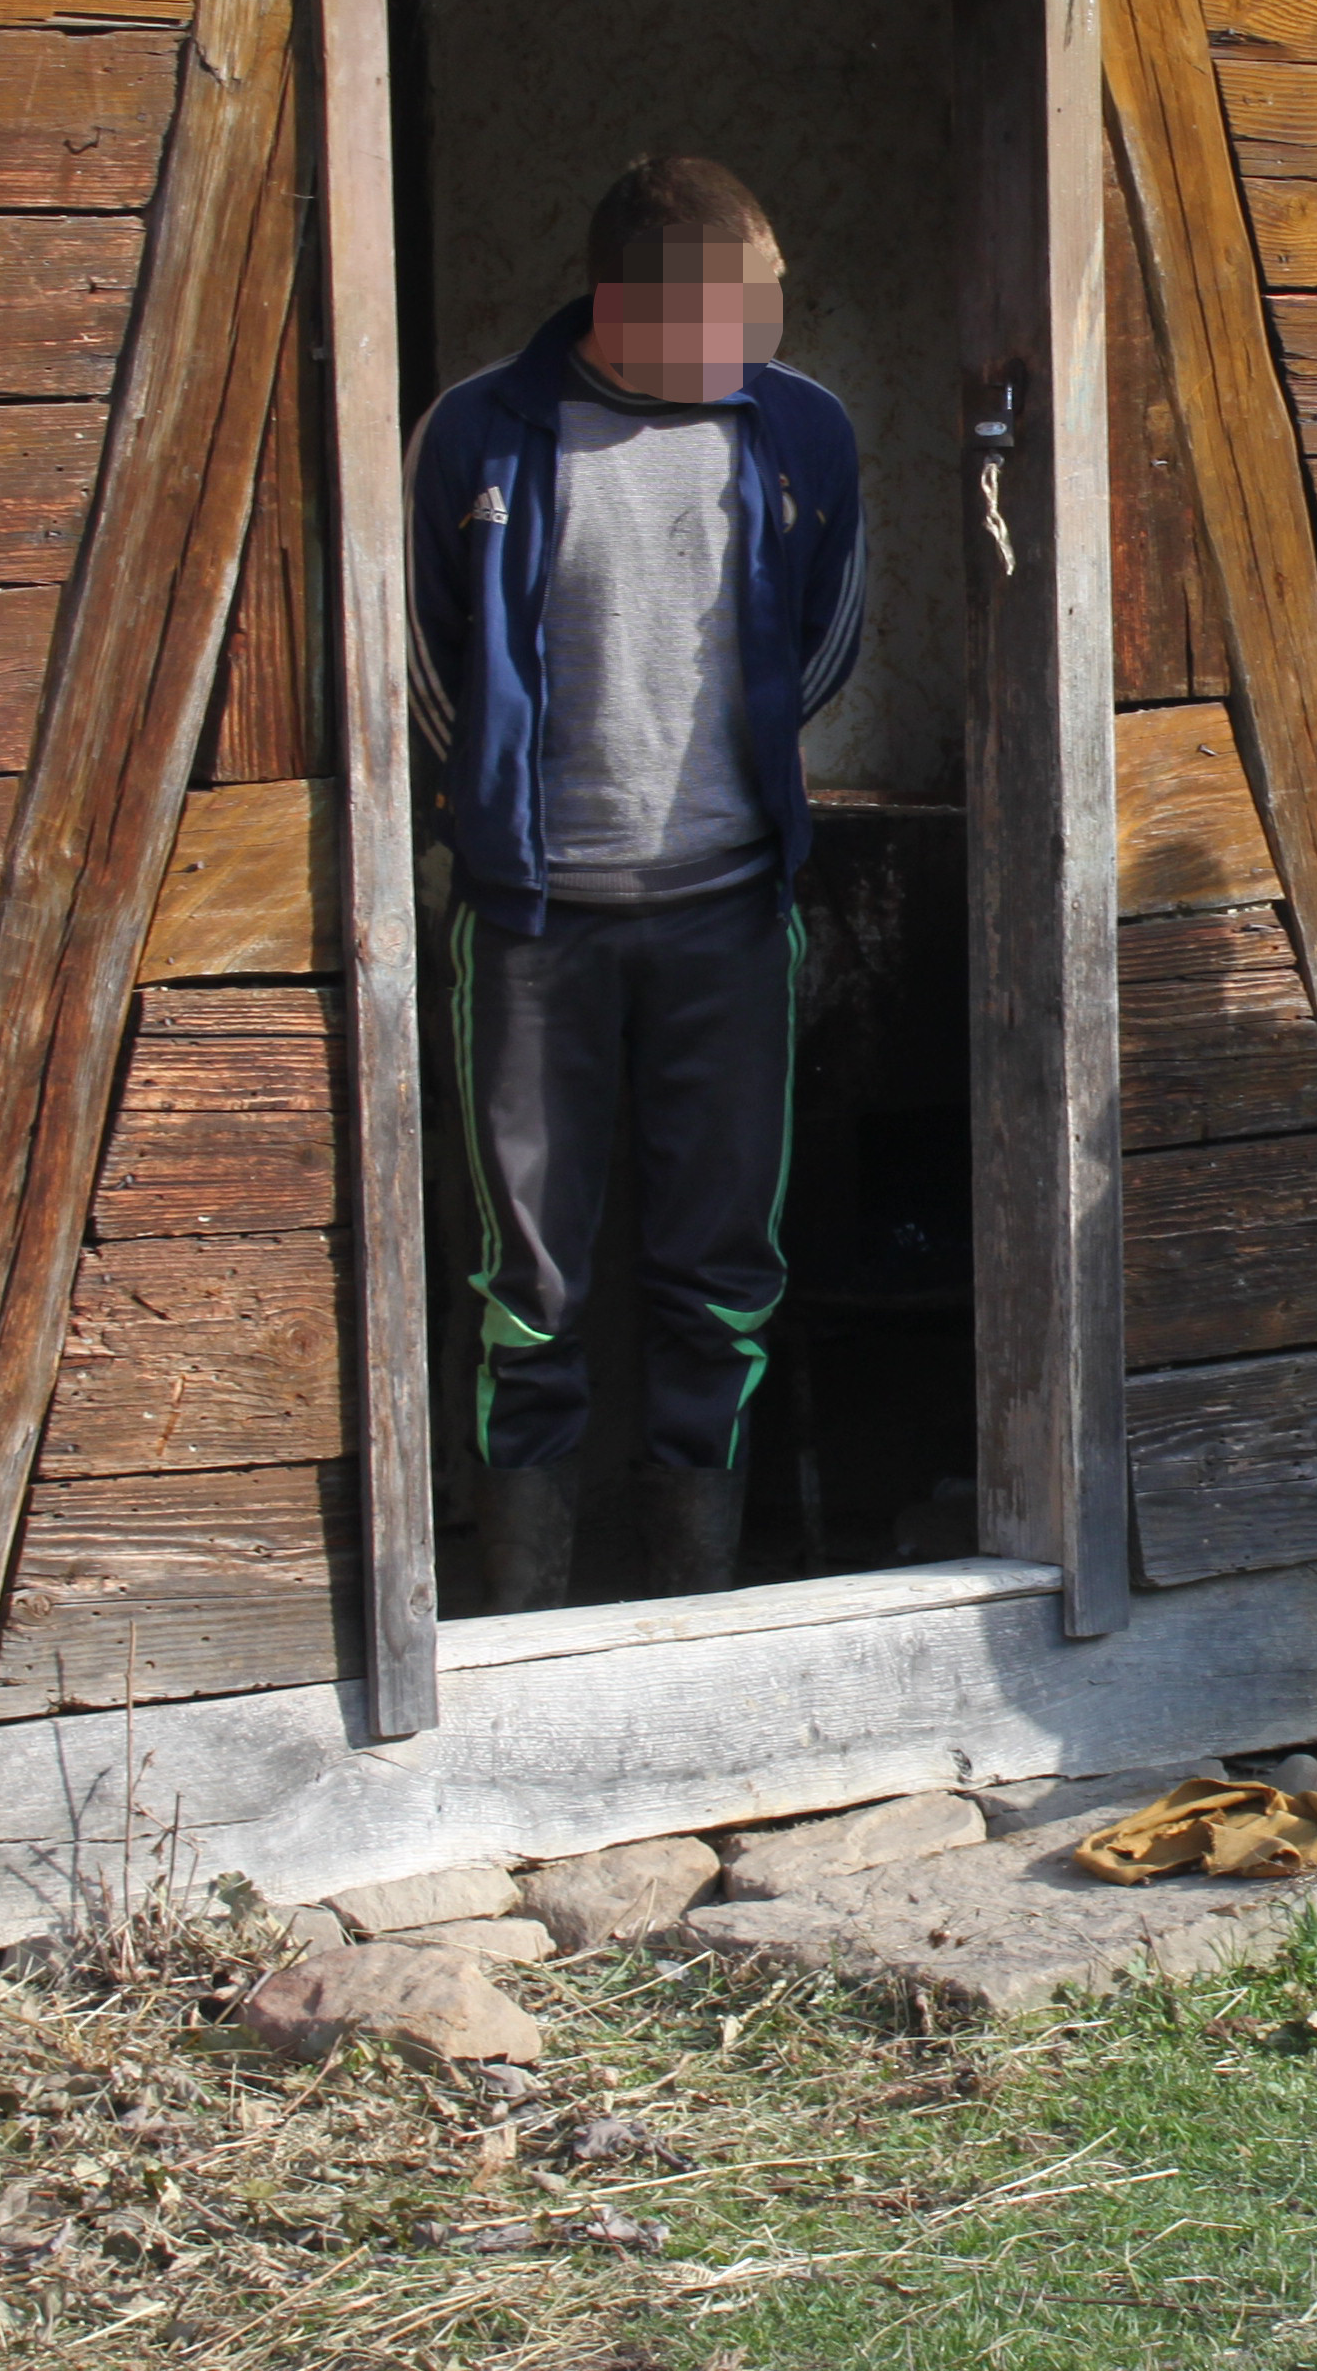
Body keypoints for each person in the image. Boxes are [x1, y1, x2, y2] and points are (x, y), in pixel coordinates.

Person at [406, 153, 865, 1610]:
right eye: (739, 306)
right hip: (534, 926)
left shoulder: (803, 433)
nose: (765, 333)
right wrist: (497, 809)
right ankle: (525, 1618)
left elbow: (827, 639)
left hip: (728, 915)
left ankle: (695, 1605)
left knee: (721, 1273)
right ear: (625, 299)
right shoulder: (481, 435)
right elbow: (428, 658)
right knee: (525, 1288)